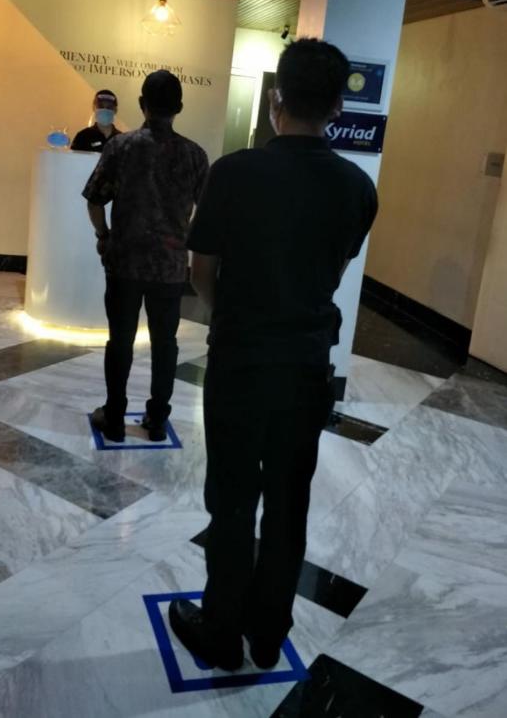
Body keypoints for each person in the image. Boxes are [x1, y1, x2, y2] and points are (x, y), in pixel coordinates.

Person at [169, 38, 378, 672]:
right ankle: (267, 636)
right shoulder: (357, 187)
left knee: (233, 499)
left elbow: (201, 271)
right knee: (290, 503)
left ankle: (221, 633)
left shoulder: (233, 172)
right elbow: (333, 270)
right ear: (338, 105)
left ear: (275, 99)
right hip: (307, 365)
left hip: (240, 360)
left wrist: (230, 314)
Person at [82, 70, 209, 443]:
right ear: (179, 107)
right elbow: (207, 211)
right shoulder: (195, 155)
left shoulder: (121, 147)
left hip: (124, 263)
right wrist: (183, 239)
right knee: (165, 343)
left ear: (141, 104)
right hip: (169, 269)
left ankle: (115, 418)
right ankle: (156, 420)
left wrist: (104, 236)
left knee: (120, 341)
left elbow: (94, 200)